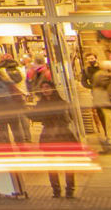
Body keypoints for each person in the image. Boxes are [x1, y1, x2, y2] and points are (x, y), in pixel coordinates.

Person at [29, 72, 78, 200]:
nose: (44, 90)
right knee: (51, 164)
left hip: (63, 135)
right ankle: (56, 190)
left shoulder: (61, 102)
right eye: (42, 88)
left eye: (47, 87)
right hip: (49, 135)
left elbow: (68, 118)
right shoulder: (41, 104)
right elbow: (35, 117)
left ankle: (70, 190)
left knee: (68, 164)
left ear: (53, 89)